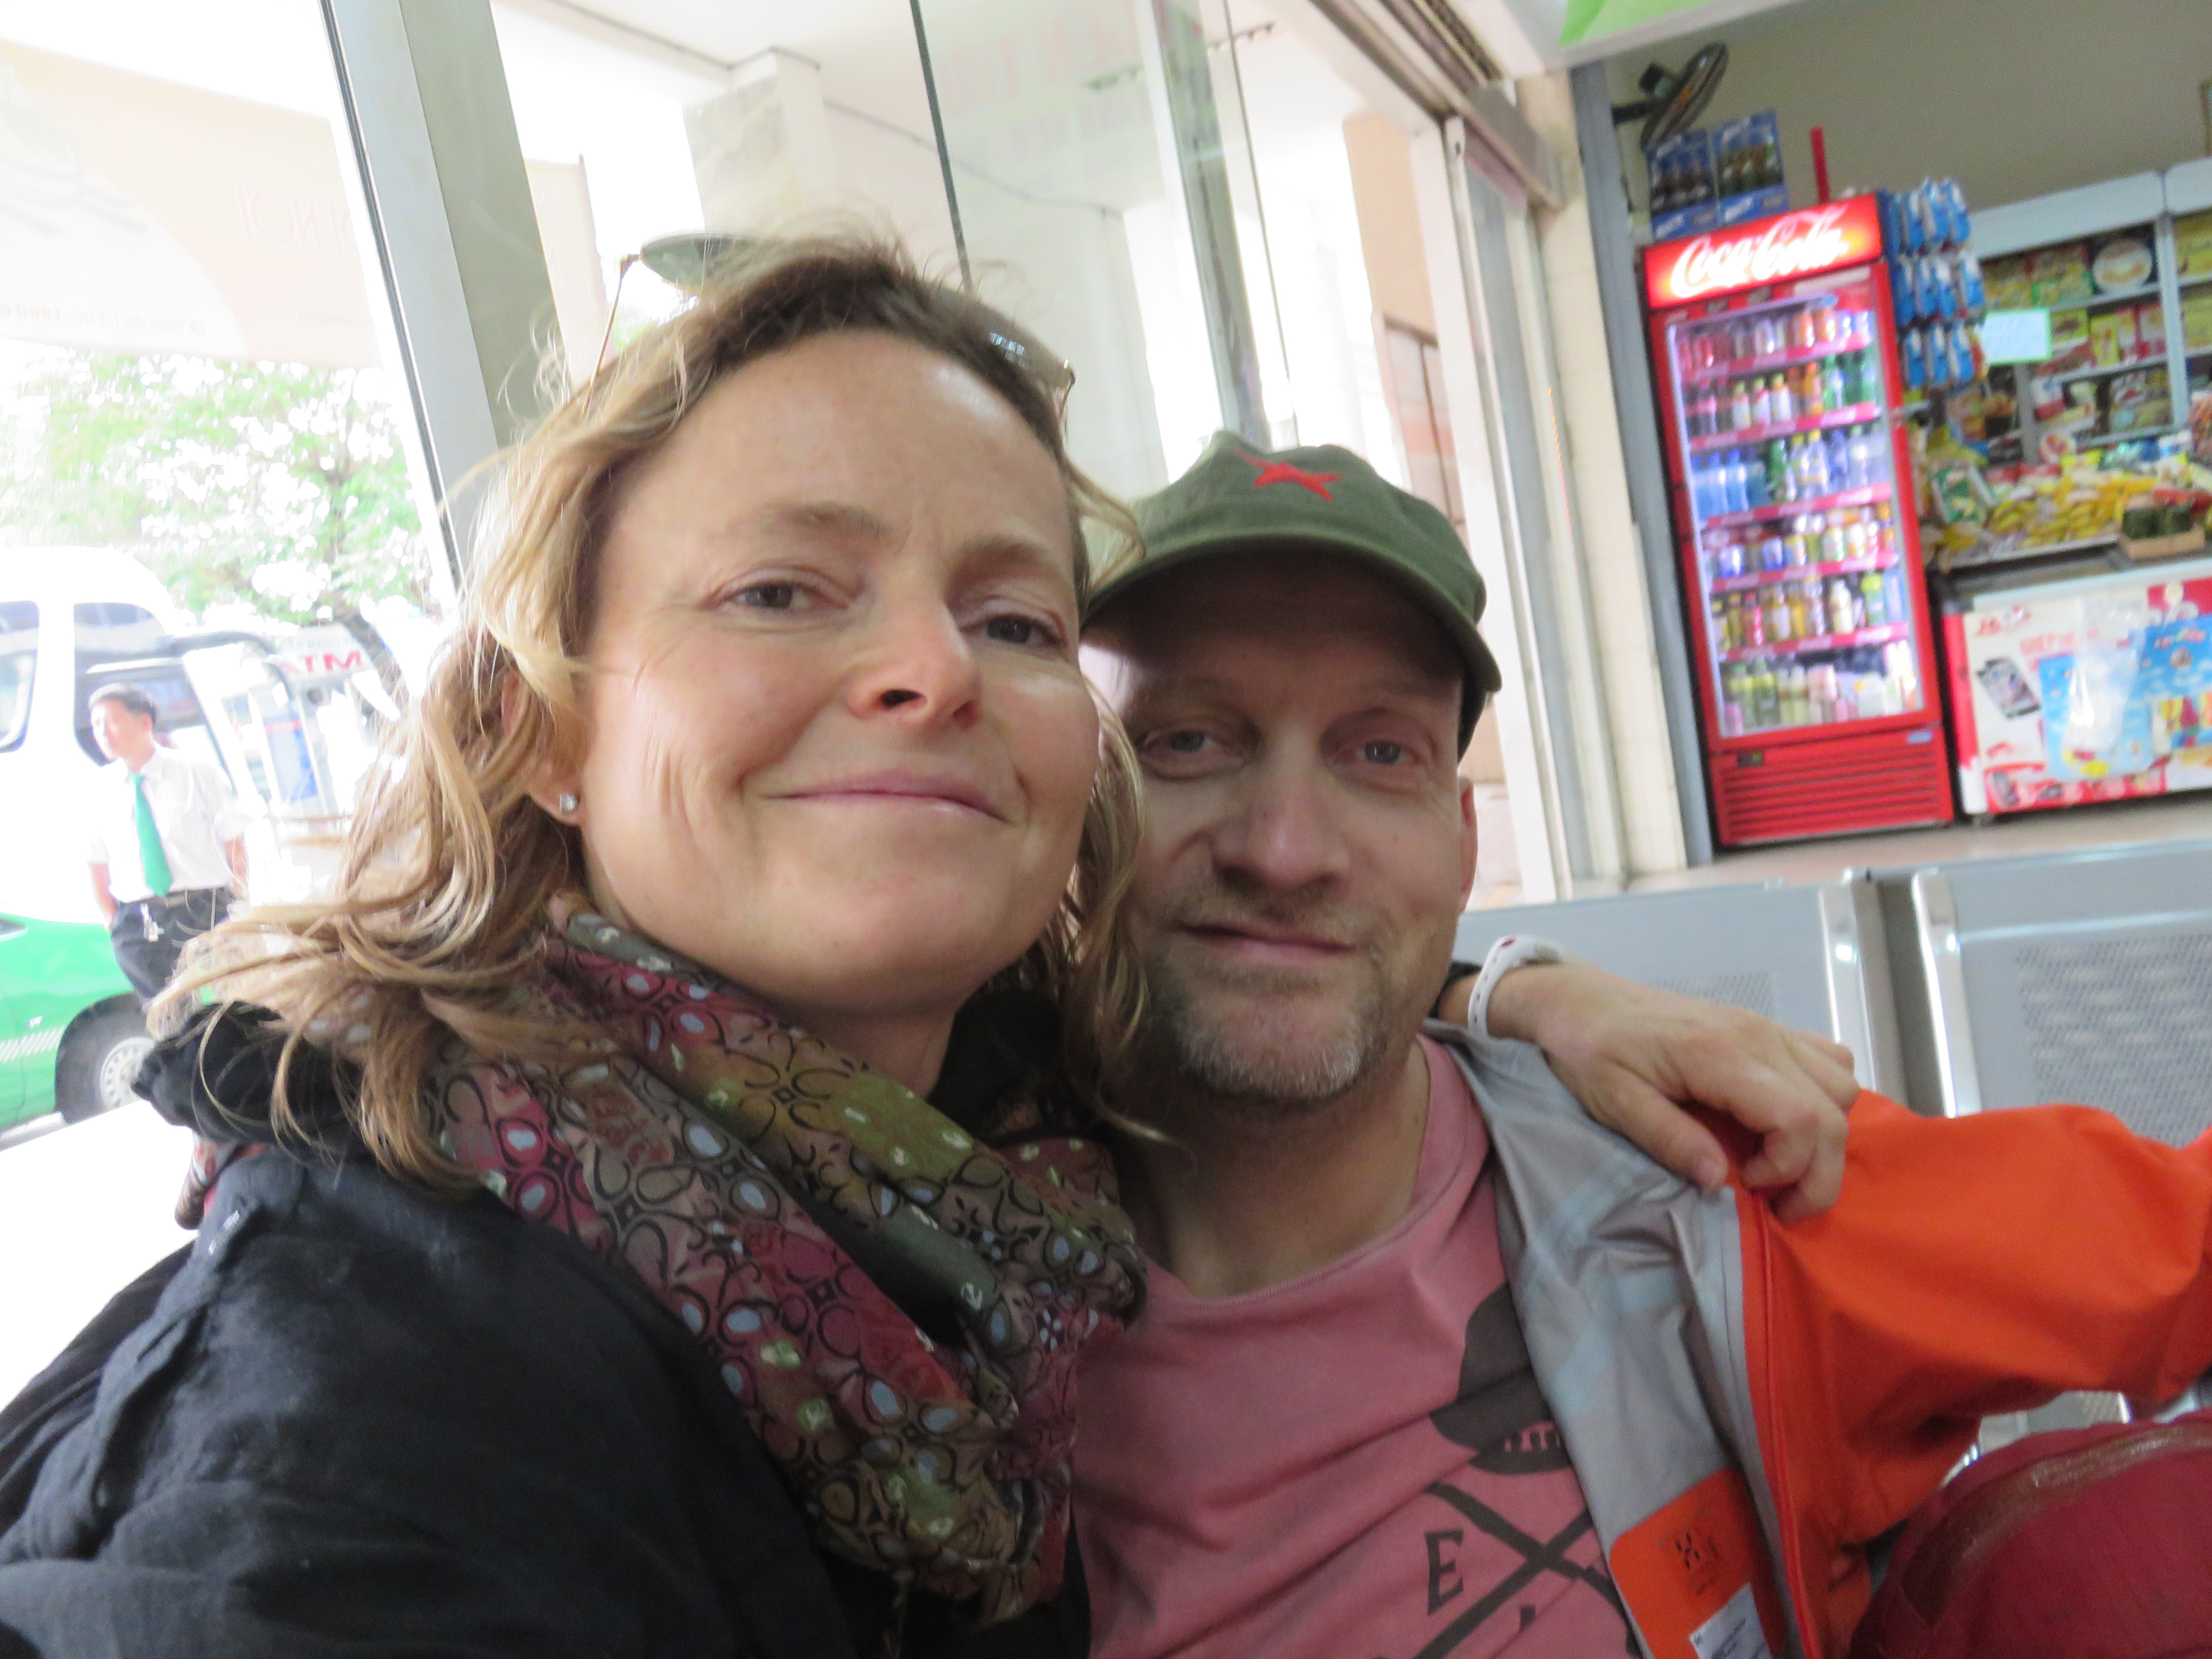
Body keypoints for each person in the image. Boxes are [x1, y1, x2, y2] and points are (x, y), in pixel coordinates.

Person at [0, 240, 1843, 1659]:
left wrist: (1512, 989)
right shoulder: (372, 1393)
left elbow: (1273, 946)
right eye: (780, 590)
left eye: (1009, 617)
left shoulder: (980, 1168)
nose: (928, 668)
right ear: (537, 724)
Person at [1070, 432, 2212, 1659]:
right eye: (1189, 739)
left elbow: (2178, 1245)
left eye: (1379, 751)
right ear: (1076, 800)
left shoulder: (1719, 1192)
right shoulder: (955, 1254)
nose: (1284, 847)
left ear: (1464, 843)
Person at [82, 681, 246, 1002]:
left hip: (206, 908)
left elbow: (234, 843)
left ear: (144, 723)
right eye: (96, 724)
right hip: (140, 922)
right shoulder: (98, 789)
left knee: (236, 1004)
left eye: (111, 721)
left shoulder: (198, 772)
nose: (102, 733)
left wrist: (239, 899)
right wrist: (112, 921)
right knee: (170, 1017)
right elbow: (96, 862)